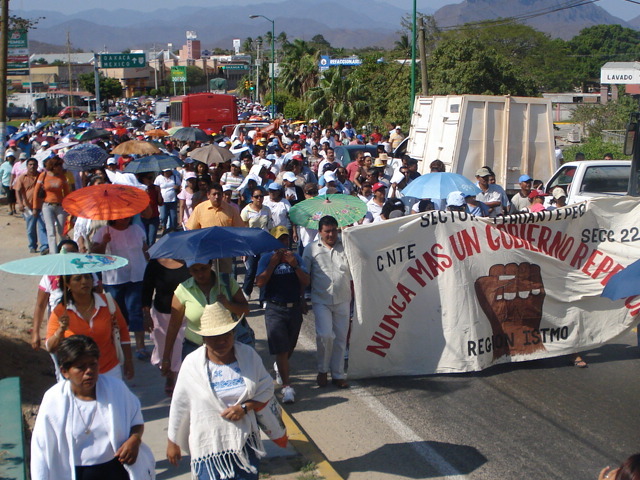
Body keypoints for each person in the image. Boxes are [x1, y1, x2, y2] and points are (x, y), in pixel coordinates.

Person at [166, 302, 274, 480]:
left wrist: (245, 408)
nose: (222, 341)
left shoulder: (248, 355)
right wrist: (172, 443)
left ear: (233, 334)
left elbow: (266, 387)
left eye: (226, 335)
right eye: (214, 337)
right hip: (209, 447)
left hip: (244, 444)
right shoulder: (192, 364)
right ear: (204, 339)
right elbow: (179, 405)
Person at [31, 335, 154, 480]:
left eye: (93, 364)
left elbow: (136, 421)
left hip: (115, 472)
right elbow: (41, 448)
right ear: (65, 371)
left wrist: (134, 440)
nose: (89, 371)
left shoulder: (116, 389)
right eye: (81, 367)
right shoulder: (54, 401)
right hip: (75, 474)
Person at [160, 261, 250, 374]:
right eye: (195, 270)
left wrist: (228, 305)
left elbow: (245, 310)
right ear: (189, 270)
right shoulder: (183, 290)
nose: (200, 274)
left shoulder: (227, 282)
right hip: (194, 347)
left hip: (226, 348)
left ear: (210, 265)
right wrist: (166, 356)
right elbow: (174, 325)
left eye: (203, 269)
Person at [255, 226, 310, 404]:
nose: (282, 243)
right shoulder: (266, 259)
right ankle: (287, 387)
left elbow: (306, 281)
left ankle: (281, 366)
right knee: (282, 348)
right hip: (275, 308)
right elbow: (260, 282)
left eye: (285, 239)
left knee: (290, 346)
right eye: (279, 239)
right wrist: (272, 264)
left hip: (293, 307)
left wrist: (294, 265)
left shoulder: (296, 258)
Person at [45, 273, 134, 379]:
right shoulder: (60, 311)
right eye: (78, 279)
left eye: (87, 277)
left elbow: (123, 331)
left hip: (110, 370)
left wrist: (128, 361)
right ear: (67, 284)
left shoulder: (107, 302)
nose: (84, 281)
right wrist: (61, 330)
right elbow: (50, 347)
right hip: (77, 376)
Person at [302, 215, 352, 388]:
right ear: (320, 232)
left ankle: (338, 374)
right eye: (327, 231)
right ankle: (322, 370)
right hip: (321, 299)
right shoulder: (311, 249)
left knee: (340, 338)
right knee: (325, 335)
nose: (331, 235)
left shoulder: (347, 246)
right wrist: (301, 298)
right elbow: (304, 275)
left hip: (343, 298)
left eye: (333, 231)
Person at [91, 217, 150, 359]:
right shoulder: (102, 232)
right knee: (118, 313)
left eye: (128, 215)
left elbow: (145, 249)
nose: (125, 218)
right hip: (114, 279)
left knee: (136, 310)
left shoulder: (137, 230)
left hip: (137, 276)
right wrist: (104, 242)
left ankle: (140, 346)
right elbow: (95, 253)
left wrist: (152, 266)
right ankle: (120, 345)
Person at [142, 258, 191, 396]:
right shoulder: (154, 264)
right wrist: (146, 315)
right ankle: (169, 373)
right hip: (161, 315)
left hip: (184, 314)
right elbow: (147, 289)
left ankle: (177, 378)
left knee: (180, 349)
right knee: (164, 350)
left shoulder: (190, 262)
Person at [33, 156, 71, 253]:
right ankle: (53, 253)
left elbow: (67, 193)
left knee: (62, 231)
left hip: (60, 206)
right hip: (47, 205)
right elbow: (36, 191)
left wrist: (68, 207)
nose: (61, 167)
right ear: (53, 166)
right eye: (59, 165)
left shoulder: (62, 176)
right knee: (51, 231)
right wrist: (35, 207)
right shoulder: (43, 175)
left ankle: (63, 250)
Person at [240, 187, 272, 298]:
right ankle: (246, 292)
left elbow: (270, 227)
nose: (259, 199)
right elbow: (243, 230)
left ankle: (263, 298)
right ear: (252, 198)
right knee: (251, 269)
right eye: (256, 196)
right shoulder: (246, 211)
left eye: (261, 196)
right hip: (251, 243)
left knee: (263, 269)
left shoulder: (267, 210)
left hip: (264, 243)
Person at [14, 157, 49, 254]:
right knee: (30, 228)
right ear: (27, 166)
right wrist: (20, 203)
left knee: (42, 226)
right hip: (28, 206)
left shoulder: (41, 176)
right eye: (30, 165)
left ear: (37, 166)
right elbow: (17, 190)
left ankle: (44, 246)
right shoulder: (22, 177)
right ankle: (32, 245)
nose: (32, 166)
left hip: (41, 205)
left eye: (34, 164)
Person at [155, 168, 181, 233]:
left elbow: (180, 186)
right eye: (165, 172)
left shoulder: (175, 177)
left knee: (174, 216)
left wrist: (177, 187)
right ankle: (164, 227)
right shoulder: (159, 178)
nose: (167, 173)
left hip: (172, 200)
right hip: (163, 200)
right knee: (163, 216)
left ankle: (173, 229)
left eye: (168, 171)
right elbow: (155, 187)